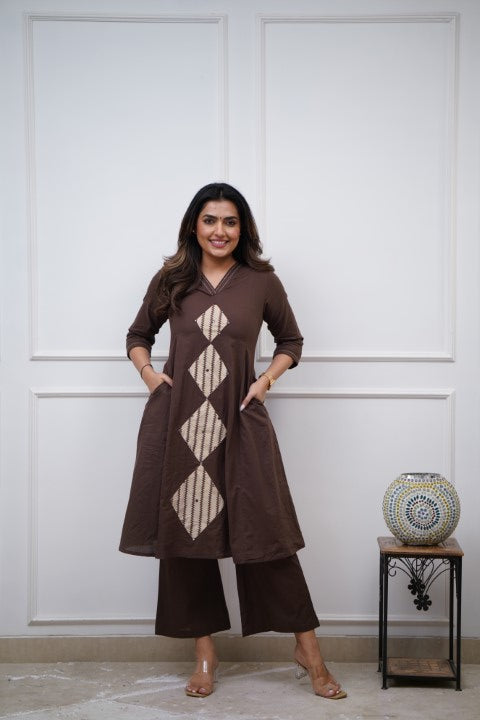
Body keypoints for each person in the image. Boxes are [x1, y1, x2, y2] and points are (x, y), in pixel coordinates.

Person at [119, 182, 346, 700]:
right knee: (187, 538)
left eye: (230, 221)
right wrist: (150, 375)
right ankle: (205, 653)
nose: (219, 231)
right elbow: (137, 335)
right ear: (194, 226)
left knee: (266, 533)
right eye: (210, 220)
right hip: (182, 428)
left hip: (241, 422)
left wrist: (265, 382)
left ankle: (308, 651)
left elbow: (291, 341)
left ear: (242, 229)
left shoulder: (261, 281)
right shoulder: (172, 279)